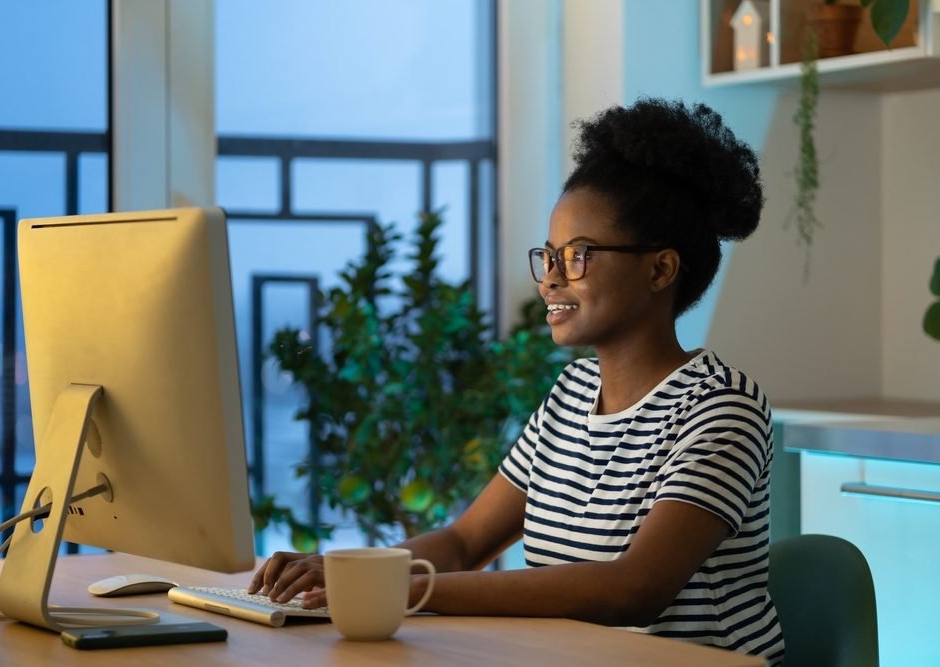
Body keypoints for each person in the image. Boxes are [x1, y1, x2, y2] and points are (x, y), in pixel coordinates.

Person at [249, 97, 785, 665]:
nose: (549, 279)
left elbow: (634, 588)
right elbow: (464, 543)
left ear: (660, 269)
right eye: (548, 257)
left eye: (577, 257)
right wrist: (353, 570)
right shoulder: (572, 394)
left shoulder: (722, 408)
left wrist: (402, 590)